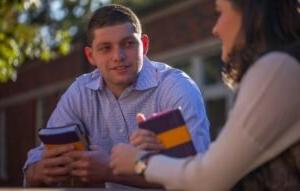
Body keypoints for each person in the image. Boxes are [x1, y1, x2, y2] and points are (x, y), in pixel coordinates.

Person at [110, 0, 300, 190]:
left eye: (220, 13)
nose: (215, 30)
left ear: (253, 15)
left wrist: (140, 162)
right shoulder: (282, 68)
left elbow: (208, 179)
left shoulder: (276, 69)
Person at [23, 4, 210, 188]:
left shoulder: (176, 88)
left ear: (143, 46)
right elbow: (34, 166)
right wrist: (39, 171)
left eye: (128, 44)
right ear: (90, 56)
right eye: (105, 48)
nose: (118, 56)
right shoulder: (80, 92)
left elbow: (197, 178)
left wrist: (109, 171)